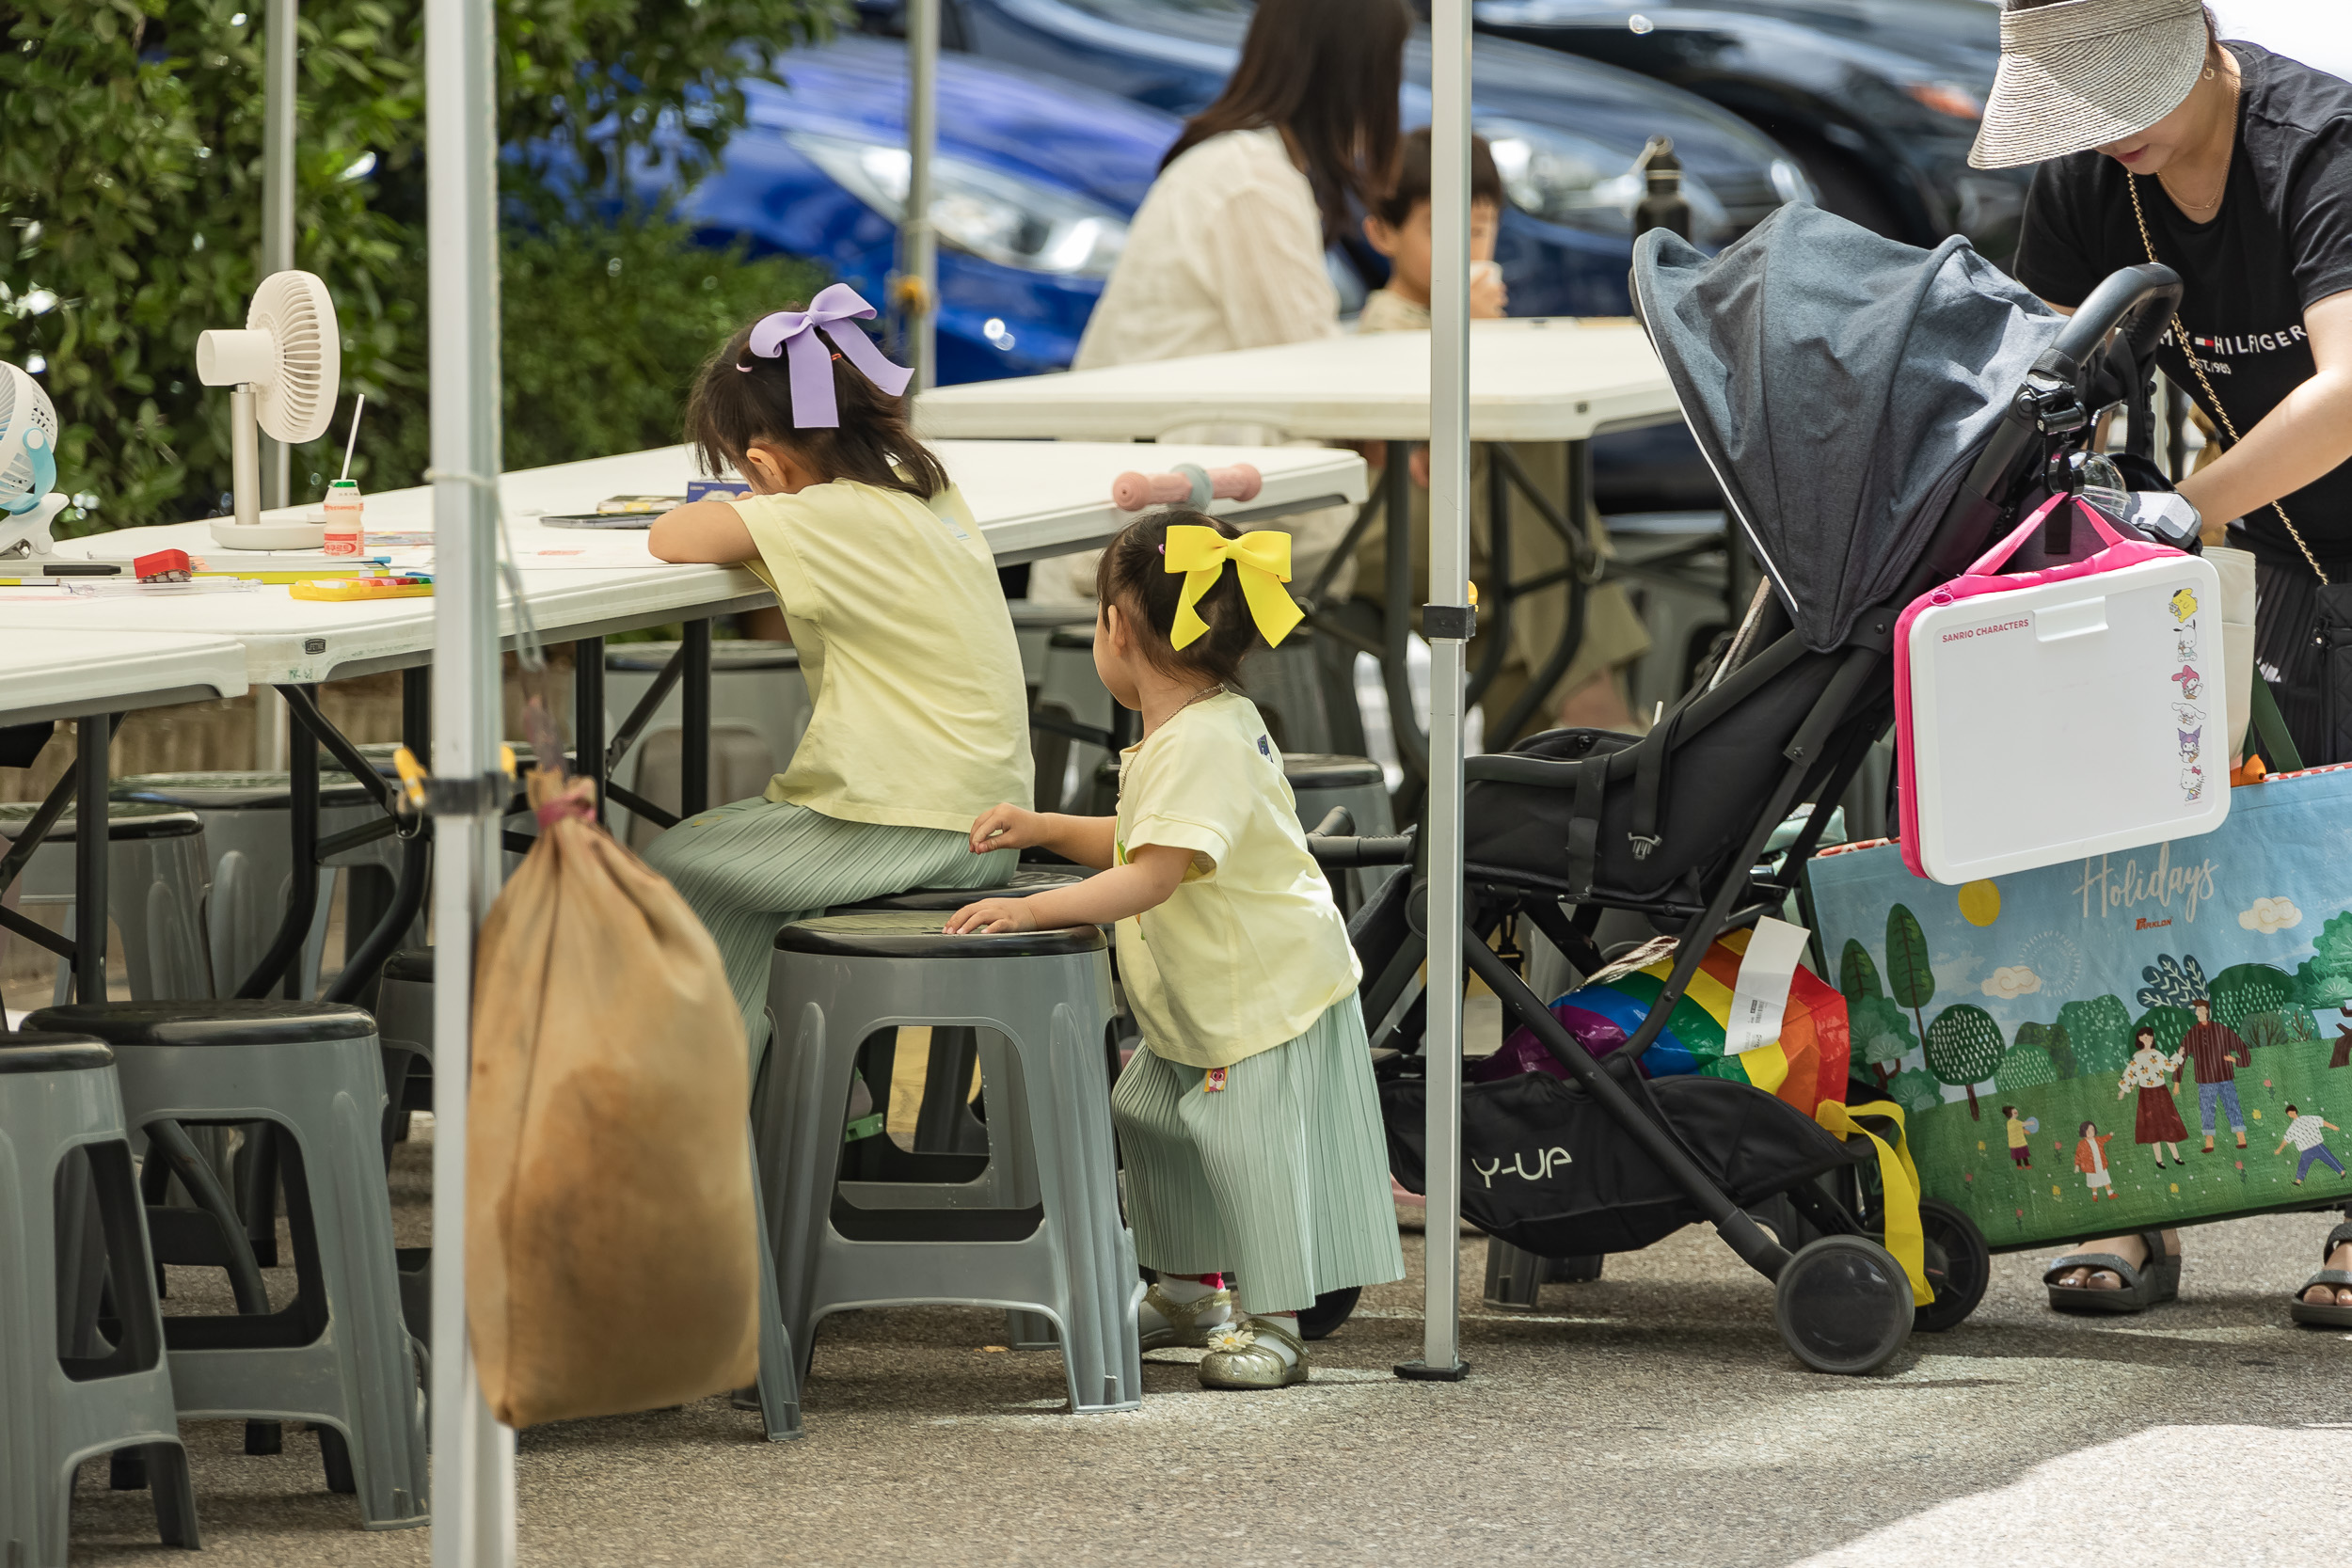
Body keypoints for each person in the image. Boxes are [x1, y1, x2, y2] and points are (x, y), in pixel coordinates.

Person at [946, 512, 1405, 1390]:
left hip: (1258, 1005)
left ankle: (1273, 1321)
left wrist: (1033, 911)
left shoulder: (1200, 740)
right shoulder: (1200, 723)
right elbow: (1142, 839)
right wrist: (1044, 828)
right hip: (1207, 1001)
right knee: (1152, 1119)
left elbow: (1150, 875)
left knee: (1250, 1151)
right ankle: (1192, 1288)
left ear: (1117, 628)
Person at [644, 290, 1032, 1055]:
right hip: (983, 813)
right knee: (733, 868)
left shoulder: (823, 515)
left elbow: (670, 537)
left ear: (761, 461)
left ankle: (714, 1104)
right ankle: (796, 1093)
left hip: (911, 822)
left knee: (672, 863)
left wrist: (747, 501)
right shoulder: (926, 491)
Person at [1983, 0, 2352, 768]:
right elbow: (2040, 381)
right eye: (2081, 103)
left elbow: (2346, 395)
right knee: (2278, 831)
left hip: (2235, 505)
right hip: (2283, 541)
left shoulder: (2322, 150)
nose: (2111, 129)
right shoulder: (2084, 183)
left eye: (2130, 90)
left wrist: (2181, 510)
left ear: (2199, 35)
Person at [1024, 0, 1410, 615]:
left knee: (1478, 533)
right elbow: (1323, 384)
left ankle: (1571, 685)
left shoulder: (1238, 164)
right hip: (1175, 526)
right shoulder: (1251, 183)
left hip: (1170, 500)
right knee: (1463, 536)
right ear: (1354, 73)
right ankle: (1576, 692)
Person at [1349, 128, 1651, 740]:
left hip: (1471, 528)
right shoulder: (1389, 322)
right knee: (1534, 485)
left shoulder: (1459, 313)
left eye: (1480, 228)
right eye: (1442, 229)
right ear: (1383, 233)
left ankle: (1548, 754)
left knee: (1521, 591)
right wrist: (1469, 332)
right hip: (1394, 527)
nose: (1466, 245)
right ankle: (1596, 714)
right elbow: (1420, 456)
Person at [2177, 996, 2253, 1151]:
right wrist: (2177, 1081)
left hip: (2224, 1076)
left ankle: (2241, 1138)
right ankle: (2209, 1143)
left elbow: (2240, 1046)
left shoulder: (2220, 1029)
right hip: (2205, 1079)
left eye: (2201, 1009)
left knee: (2232, 1106)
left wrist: (2237, 1060)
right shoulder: (2192, 1033)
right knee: (2206, 1110)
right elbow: (2181, 1057)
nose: (2198, 1012)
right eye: (2197, 1010)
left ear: (2207, 1011)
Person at [2117, 1024, 2189, 1167]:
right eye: (2144, 1036)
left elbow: (2169, 1066)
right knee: (2152, 1127)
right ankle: (2159, 1160)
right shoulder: (2137, 1057)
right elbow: (2131, 1074)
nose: (2148, 1039)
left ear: (2152, 1038)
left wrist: (2179, 1055)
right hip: (2146, 1095)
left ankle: (2176, 1157)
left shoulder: (2157, 1054)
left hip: (2161, 1094)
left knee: (2167, 1124)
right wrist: (2123, 1090)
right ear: (2139, 1039)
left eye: (2150, 1036)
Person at [2276, 1104, 2346, 1185]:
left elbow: (2321, 1122)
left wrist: (2333, 1127)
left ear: (2294, 1111)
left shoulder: (2307, 1118)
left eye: (2291, 1113)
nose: (2290, 1115)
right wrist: (2279, 1149)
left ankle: (2342, 1172)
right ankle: (2298, 1181)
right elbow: (2286, 1139)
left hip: (2318, 1146)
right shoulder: (2292, 1127)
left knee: (2329, 1158)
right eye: (2289, 1114)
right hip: (2306, 1150)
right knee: (2303, 1165)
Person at [2074, 1120, 2119, 1201]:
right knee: (2094, 1181)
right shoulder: (2081, 1144)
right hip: (2090, 1167)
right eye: (2088, 1131)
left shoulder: (2098, 1139)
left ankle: (2110, 1193)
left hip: (2101, 1163)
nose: (2091, 1132)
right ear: (2083, 1132)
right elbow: (2078, 1155)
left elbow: (2104, 1139)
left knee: (2105, 1179)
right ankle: (2094, 1195)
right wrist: (2077, 1165)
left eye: (2093, 1130)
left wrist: (2110, 1135)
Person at [2001, 1104, 2034, 1168]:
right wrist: (2030, 1123)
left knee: (2023, 1154)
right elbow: (2022, 1124)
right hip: (2017, 1142)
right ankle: (2021, 1165)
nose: (2017, 1112)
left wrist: (2023, 1131)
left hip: (2019, 1142)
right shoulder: (2012, 1122)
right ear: (2010, 1114)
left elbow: (2016, 1129)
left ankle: (2025, 1164)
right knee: (2019, 1155)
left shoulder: (2013, 1122)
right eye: (2015, 1112)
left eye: (2016, 1111)